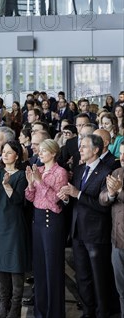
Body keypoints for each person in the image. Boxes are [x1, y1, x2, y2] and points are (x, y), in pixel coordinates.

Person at [58, 134, 115, 318]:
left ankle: (102, 312)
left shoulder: (107, 171)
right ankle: (88, 310)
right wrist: (67, 198)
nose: (80, 149)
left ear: (96, 149)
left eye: (84, 146)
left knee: (99, 277)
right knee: (82, 276)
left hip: (96, 234)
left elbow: (103, 206)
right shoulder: (80, 169)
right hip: (78, 231)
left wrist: (78, 194)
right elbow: (74, 200)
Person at [0, 140, 30, 318]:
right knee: (1, 265)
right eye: (3, 152)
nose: (5, 154)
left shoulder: (21, 175)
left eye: (9, 152)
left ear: (16, 156)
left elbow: (19, 201)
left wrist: (7, 186)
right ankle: (4, 304)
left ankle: (15, 308)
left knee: (15, 265)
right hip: (0, 223)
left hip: (15, 224)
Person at [25, 139, 68, 318]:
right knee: (40, 269)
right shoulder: (39, 169)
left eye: (43, 151)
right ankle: (40, 312)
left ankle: (55, 313)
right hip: (38, 220)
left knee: (53, 269)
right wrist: (30, 183)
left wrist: (39, 181)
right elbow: (30, 197)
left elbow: (54, 200)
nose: (39, 153)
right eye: (39, 150)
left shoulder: (60, 172)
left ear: (53, 153)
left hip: (52, 220)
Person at [99, 141, 124, 318]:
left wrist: (120, 190)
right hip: (118, 241)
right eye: (121, 153)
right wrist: (111, 194)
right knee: (121, 290)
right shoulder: (117, 173)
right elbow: (102, 198)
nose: (121, 157)